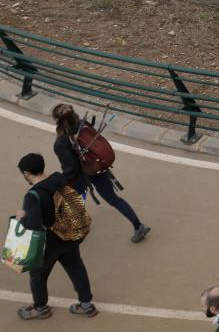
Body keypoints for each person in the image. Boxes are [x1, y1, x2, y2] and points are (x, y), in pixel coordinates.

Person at [14, 152, 96, 320]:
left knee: (37, 276)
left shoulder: (33, 195)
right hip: (69, 234)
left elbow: (32, 226)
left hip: (49, 242)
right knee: (76, 268)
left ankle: (41, 308)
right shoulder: (59, 179)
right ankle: (87, 305)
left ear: (27, 173)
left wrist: (21, 217)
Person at [50, 104, 148, 243]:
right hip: (96, 167)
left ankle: (73, 228)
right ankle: (138, 226)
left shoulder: (60, 143)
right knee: (113, 199)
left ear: (57, 121)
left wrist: (62, 181)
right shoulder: (84, 124)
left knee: (64, 199)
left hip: (81, 175)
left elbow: (71, 168)